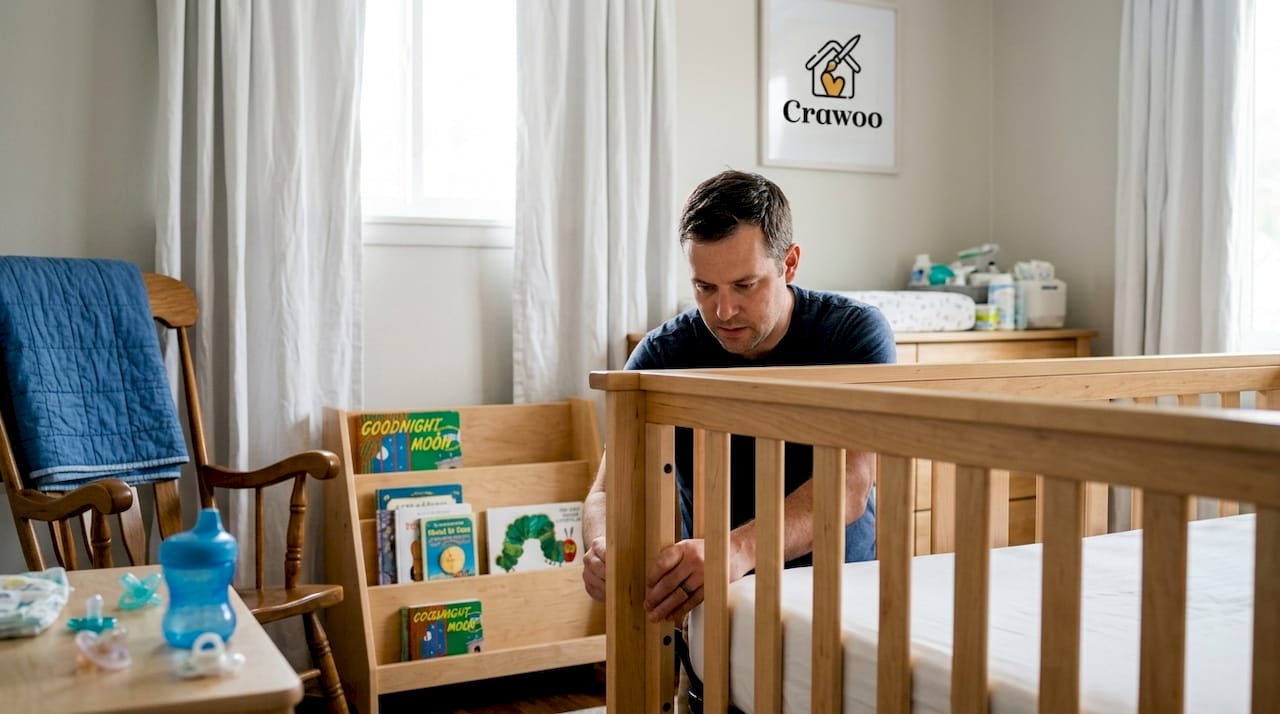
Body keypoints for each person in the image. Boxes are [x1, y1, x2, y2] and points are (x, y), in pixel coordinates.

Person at [581, 169, 896, 625]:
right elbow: (608, 489)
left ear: (789, 264)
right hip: (717, 605)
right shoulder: (661, 354)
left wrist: (738, 549)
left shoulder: (851, 334)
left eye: (745, 286)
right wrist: (601, 546)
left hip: (839, 593)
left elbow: (851, 482)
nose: (723, 311)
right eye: (704, 288)